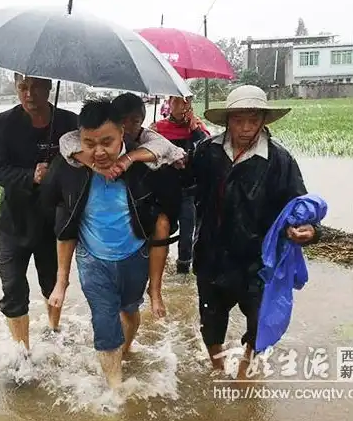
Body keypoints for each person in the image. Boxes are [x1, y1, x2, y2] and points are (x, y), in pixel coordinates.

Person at [44, 98, 182, 389]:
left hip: (134, 256)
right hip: (92, 260)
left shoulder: (144, 165)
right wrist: (61, 281)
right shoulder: (71, 166)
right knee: (105, 323)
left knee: (130, 311)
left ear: (123, 132)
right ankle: (116, 394)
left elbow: (165, 219)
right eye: (90, 143)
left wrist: (156, 290)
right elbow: (62, 224)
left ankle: (127, 348)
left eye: (107, 142)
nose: (99, 151)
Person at [190, 85, 321, 378]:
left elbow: (299, 206)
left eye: (253, 120)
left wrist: (310, 231)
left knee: (258, 325)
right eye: (239, 120)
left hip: (259, 262)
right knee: (210, 324)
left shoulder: (279, 160)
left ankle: (244, 373)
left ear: (263, 120)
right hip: (212, 257)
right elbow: (184, 186)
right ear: (228, 121)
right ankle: (218, 371)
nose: (246, 128)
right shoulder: (207, 152)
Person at [0, 73, 78, 351]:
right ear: (15, 87)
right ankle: (22, 352)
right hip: (14, 223)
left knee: (52, 284)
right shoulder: (2, 123)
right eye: (22, 87)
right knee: (13, 288)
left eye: (36, 87)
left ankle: (54, 330)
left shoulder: (68, 122)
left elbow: (83, 158)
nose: (29, 94)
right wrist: (31, 175)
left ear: (50, 87)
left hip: (53, 222)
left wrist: (59, 173)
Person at [151, 96, 210, 275]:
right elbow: (149, 154)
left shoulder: (198, 128)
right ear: (169, 103)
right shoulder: (158, 128)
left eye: (186, 102)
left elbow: (208, 154)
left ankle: (183, 271)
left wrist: (195, 131)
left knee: (187, 234)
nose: (181, 106)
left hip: (189, 191)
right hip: (164, 191)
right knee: (162, 231)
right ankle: (159, 269)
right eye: (176, 101)